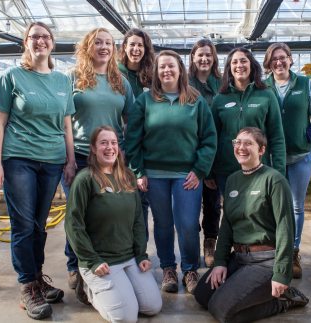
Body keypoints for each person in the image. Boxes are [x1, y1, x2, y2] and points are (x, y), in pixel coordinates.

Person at [0, 21, 75, 320]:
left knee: (39, 224)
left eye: (45, 37)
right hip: (18, 159)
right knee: (23, 225)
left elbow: (66, 125)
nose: (40, 41)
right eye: (34, 37)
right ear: (25, 42)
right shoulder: (12, 76)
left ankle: (37, 277)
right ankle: (27, 286)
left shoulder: (63, 81)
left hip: (51, 160)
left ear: (52, 43)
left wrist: (70, 159)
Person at [194, 127, 309, 323]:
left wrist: (281, 273)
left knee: (221, 310)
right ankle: (255, 291)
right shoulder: (232, 180)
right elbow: (227, 226)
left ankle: (282, 300)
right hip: (239, 259)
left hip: (265, 262)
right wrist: (220, 262)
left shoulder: (274, 180)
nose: (241, 147)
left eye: (248, 143)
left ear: (262, 150)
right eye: (237, 142)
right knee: (202, 295)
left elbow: (285, 229)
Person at [126, 50, 217, 294]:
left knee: (187, 223)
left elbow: (209, 138)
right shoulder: (144, 101)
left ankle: (189, 269)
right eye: (162, 67)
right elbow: (132, 139)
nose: (166, 70)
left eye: (171, 66)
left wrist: (199, 170)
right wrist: (138, 171)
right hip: (154, 174)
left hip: (186, 175)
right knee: (163, 224)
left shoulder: (195, 100)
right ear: (156, 72)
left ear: (180, 70)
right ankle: (168, 267)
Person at [63, 27, 134, 294]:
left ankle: (102, 263)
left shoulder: (120, 81)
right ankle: (75, 266)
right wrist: (69, 160)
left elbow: (130, 120)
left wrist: (124, 155)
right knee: (78, 215)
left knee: (105, 215)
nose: (104, 47)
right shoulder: (73, 78)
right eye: (98, 43)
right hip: (81, 156)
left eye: (108, 43)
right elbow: (65, 120)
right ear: (87, 47)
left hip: (112, 160)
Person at [65, 126, 162, 323]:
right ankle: (87, 288)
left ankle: (122, 290)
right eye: (103, 143)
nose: (110, 147)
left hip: (128, 257)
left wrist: (141, 254)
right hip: (101, 261)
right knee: (126, 317)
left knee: (153, 306)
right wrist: (91, 261)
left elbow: (137, 220)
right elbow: (73, 225)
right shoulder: (85, 180)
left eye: (113, 143)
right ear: (93, 148)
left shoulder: (127, 177)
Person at [263, 43, 311, 279]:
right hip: (271, 157)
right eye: (274, 59)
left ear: (290, 60)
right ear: (268, 64)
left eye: (282, 58)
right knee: (271, 206)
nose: (278, 62)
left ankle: (293, 252)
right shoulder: (263, 86)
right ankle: (273, 252)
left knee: (296, 206)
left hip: (300, 156)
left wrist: (308, 135)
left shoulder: (304, 84)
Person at [211, 47, 286, 197]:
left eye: (244, 61)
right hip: (227, 171)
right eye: (235, 62)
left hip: (258, 169)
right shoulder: (220, 99)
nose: (239, 65)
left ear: (252, 65)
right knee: (232, 213)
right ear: (229, 68)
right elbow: (212, 137)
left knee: (257, 214)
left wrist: (278, 172)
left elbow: (276, 136)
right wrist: (209, 171)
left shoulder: (266, 95)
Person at [188, 39, 222, 268]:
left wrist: (209, 167)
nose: (204, 59)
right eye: (200, 55)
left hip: (215, 153)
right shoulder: (185, 84)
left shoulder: (221, 84)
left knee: (212, 204)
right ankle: (189, 248)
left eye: (208, 55)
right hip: (188, 154)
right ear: (193, 58)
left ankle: (210, 243)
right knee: (188, 206)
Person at [118, 28, 155, 239]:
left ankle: (140, 249)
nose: (136, 49)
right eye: (132, 44)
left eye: (140, 45)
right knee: (120, 198)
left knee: (142, 199)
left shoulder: (150, 75)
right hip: (119, 145)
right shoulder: (115, 72)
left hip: (145, 146)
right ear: (124, 47)